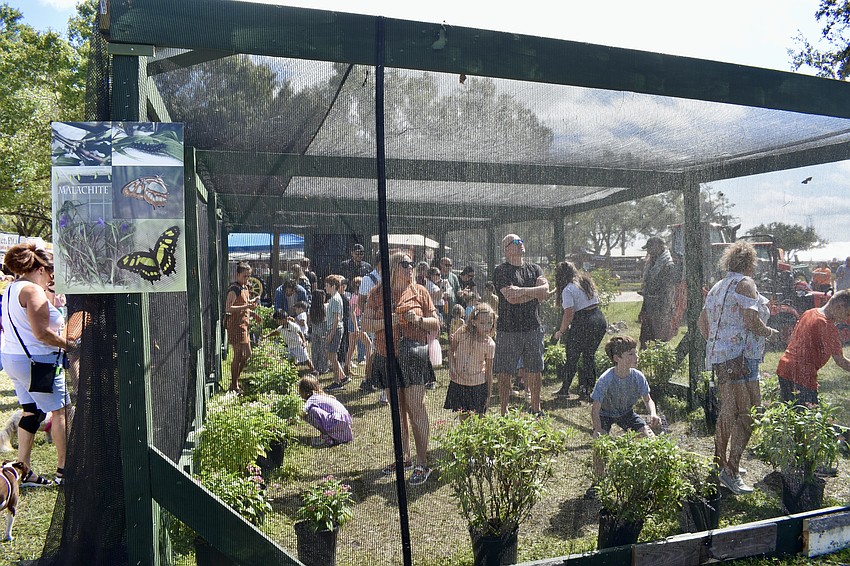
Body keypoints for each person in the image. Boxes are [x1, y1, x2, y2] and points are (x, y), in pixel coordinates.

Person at [698, 241, 777, 495]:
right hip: (742, 357)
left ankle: (720, 463)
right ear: (750, 262)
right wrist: (770, 332)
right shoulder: (746, 283)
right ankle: (731, 470)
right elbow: (751, 321)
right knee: (749, 413)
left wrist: (717, 344)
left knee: (728, 411)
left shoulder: (718, 287)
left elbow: (702, 322)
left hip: (723, 358)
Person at [361, 252, 440, 485]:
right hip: (387, 357)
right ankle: (403, 458)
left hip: (413, 356)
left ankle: (422, 462)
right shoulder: (377, 294)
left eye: (412, 264)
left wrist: (418, 320)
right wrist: (390, 321)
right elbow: (365, 323)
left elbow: (436, 322)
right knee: (398, 412)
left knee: (415, 408)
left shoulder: (420, 291)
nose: (411, 268)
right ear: (394, 267)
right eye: (406, 264)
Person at [0, 243, 75, 486]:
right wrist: (68, 345)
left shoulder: (12, 287)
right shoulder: (32, 291)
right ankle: (65, 471)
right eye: (51, 270)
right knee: (60, 411)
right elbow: (42, 333)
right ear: (40, 268)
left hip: (14, 359)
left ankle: (23, 470)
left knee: (31, 411)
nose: (53, 276)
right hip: (37, 361)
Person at [492, 234, 551, 416]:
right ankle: (503, 410)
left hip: (533, 328)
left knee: (535, 369)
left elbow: (545, 292)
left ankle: (536, 408)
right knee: (504, 372)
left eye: (521, 241)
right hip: (507, 330)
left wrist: (522, 291)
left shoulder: (534, 269)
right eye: (516, 242)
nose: (521, 245)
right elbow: (511, 299)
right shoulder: (501, 271)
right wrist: (534, 293)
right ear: (506, 249)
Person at [776, 289, 850, 407]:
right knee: (808, 419)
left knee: (789, 413)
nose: (846, 319)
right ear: (839, 306)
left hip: (785, 367)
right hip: (803, 375)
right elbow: (840, 361)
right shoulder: (828, 326)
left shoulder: (809, 312)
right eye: (847, 314)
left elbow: (792, 339)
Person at [553, 261, 608, 400]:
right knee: (589, 356)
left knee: (572, 357)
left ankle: (565, 389)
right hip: (598, 318)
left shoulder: (568, 289)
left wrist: (561, 331)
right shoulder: (585, 282)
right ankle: (588, 389)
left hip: (584, 321)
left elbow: (569, 313)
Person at [590, 335, 661, 440]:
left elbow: (648, 400)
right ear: (617, 358)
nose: (636, 357)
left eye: (636, 352)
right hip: (605, 415)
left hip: (626, 413)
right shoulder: (605, 379)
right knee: (600, 442)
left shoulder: (638, 377)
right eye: (631, 354)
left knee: (649, 438)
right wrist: (599, 430)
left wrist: (653, 414)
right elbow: (595, 411)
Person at [445, 303, 496, 420]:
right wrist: (452, 367)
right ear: (473, 322)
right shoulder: (462, 333)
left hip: (478, 384)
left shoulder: (490, 344)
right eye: (482, 323)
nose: (486, 327)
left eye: (489, 323)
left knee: (480, 419)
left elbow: (489, 372)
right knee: (464, 418)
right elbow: (451, 351)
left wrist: (488, 395)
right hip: (460, 382)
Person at [225, 261, 262, 392]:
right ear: (238, 275)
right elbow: (229, 308)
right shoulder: (234, 288)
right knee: (238, 355)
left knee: (247, 354)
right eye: (244, 276)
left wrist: (252, 310)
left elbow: (245, 304)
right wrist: (247, 306)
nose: (246, 279)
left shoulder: (245, 288)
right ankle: (234, 385)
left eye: (248, 276)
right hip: (235, 325)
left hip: (245, 325)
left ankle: (235, 381)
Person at [638, 236, 679, 348]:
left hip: (661, 309)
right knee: (643, 340)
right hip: (649, 307)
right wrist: (644, 309)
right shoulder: (650, 264)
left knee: (660, 341)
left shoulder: (668, 265)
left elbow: (668, 292)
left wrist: (663, 313)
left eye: (651, 248)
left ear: (660, 247)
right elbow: (647, 289)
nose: (648, 251)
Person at [298, 375, 353, 447]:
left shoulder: (311, 399)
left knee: (310, 411)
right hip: (345, 424)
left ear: (304, 391)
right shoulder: (323, 396)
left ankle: (327, 437)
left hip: (335, 422)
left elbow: (302, 412)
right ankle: (336, 437)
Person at [323, 275, 349, 391]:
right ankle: (342, 377)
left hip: (336, 329)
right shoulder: (335, 298)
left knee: (332, 355)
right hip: (335, 329)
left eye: (327, 285)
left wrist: (331, 334)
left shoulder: (335, 299)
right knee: (331, 354)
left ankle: (337, 382)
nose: (325, 288)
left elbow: (336, 318)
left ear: (333, 286)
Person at [308, 289, 329, 375]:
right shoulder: (325, 307)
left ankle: (315, 366)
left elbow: (309, 320)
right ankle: (323, 367)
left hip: (314, 329)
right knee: (323, 349)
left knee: (315, 348)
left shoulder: (311, 308)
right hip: (323, 329)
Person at [439, 257, 461, 327]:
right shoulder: (437, 275)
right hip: (441, 306)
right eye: (446, 265)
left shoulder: (454, 276)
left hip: (452, 307)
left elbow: (458, 288)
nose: (449, 267)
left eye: (450, 265)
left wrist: (460, 292)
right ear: (441, 265)